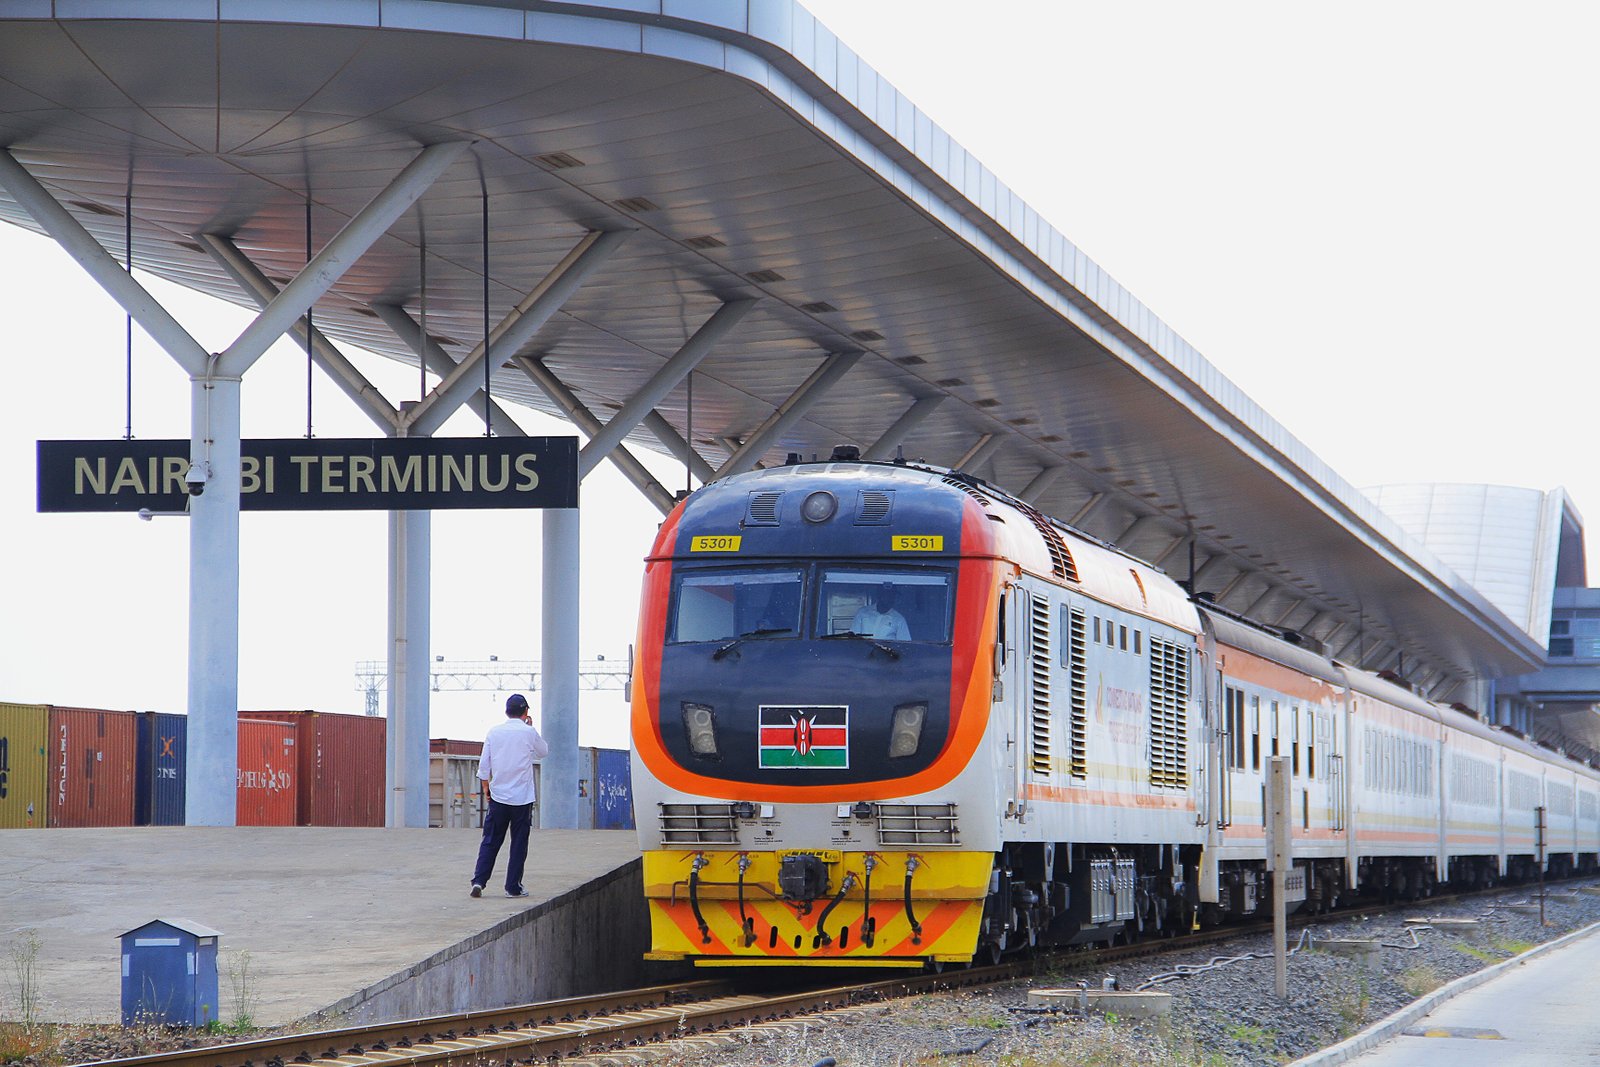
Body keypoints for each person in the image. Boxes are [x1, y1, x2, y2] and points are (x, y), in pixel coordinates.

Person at [470, 693, 549, 899]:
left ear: (506, 711)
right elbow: (544, 752)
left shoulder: (494, 732)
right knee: (518, 843)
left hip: (499, 797)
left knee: (490, 840)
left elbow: (484, 766)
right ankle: (513, 887)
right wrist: (531, 726)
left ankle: (479, 881)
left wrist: (487, 788)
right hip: (522, 799)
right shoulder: (528, 732)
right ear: (525, 712)